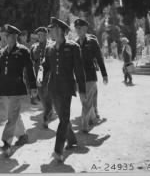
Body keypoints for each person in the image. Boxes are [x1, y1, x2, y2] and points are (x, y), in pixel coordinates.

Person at [38, 17, 86, 163]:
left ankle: (58, 150)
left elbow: (79, 71)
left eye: (52, 29)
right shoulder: (49, 48)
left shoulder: (73, 48)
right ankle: (71, 139)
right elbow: (44, 65)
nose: (50, 32)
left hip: (66, 89)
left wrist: (82, 91)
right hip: (52, 88)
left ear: (59, 30)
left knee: (64, 118)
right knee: (62, 117)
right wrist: (40, 74)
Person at [0, 24, 38, 157]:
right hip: (4, 89)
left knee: (11, 117)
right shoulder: (2, 52)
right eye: (6, 35)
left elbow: (30, 70)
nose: (7, 38)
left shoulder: (23, 51)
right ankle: (22, 136)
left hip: (16, 89)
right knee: (12, 115)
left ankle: (6, 142)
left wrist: (33, 87)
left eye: (10, 35)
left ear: (15, 36)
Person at [74, 18, 108, 133]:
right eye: (76, 28)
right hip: (79, 78)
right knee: (84, 101)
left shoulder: (92, 42)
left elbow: (99, 58)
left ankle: (84, 126)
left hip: (90, 76)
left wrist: (104, 74)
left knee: (87, 102)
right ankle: (93, 118)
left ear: (85, 29)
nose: (78, 30)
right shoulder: (75, 43)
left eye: (80, 28)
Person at [31, 27, 53, 128]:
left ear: (46, 35)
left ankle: (46, 118)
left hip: (49, 76)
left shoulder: (51, 46)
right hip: (38, 77)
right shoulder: (34, 47)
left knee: (47, 96)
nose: (40, 37)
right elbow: (31, 62)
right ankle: (48, 111)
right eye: (39, 35)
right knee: (42, 97)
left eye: (43, 35)